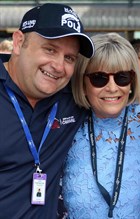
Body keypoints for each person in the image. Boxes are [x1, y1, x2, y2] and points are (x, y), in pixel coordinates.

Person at [0, 3, 94, 218]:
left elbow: (116, 98)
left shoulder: (74, 97)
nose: (59, 66)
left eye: (69, 58)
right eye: (50, 49)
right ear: (18, 42)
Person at [62, 33, 140, 218]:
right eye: (99, 78)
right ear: (83, 82)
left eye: (122, 77)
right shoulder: (67, 125)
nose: (113, 88)